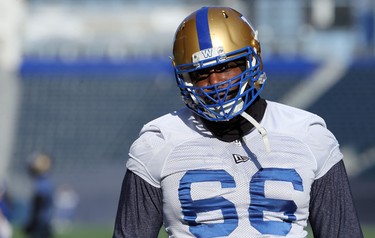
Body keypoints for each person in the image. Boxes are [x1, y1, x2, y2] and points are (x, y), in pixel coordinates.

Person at [113, 6, 363, 238]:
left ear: (251, 61)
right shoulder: (158, 142)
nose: (215, 83)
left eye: (226, 67)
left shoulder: (309, 134)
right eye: (201, 73)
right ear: (185, 79)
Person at [24, 152, 54, 238]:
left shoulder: (42, 183)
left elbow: (38, 206)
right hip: (43, 223)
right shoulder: (46, 181)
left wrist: (32, 223)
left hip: (40, 224)